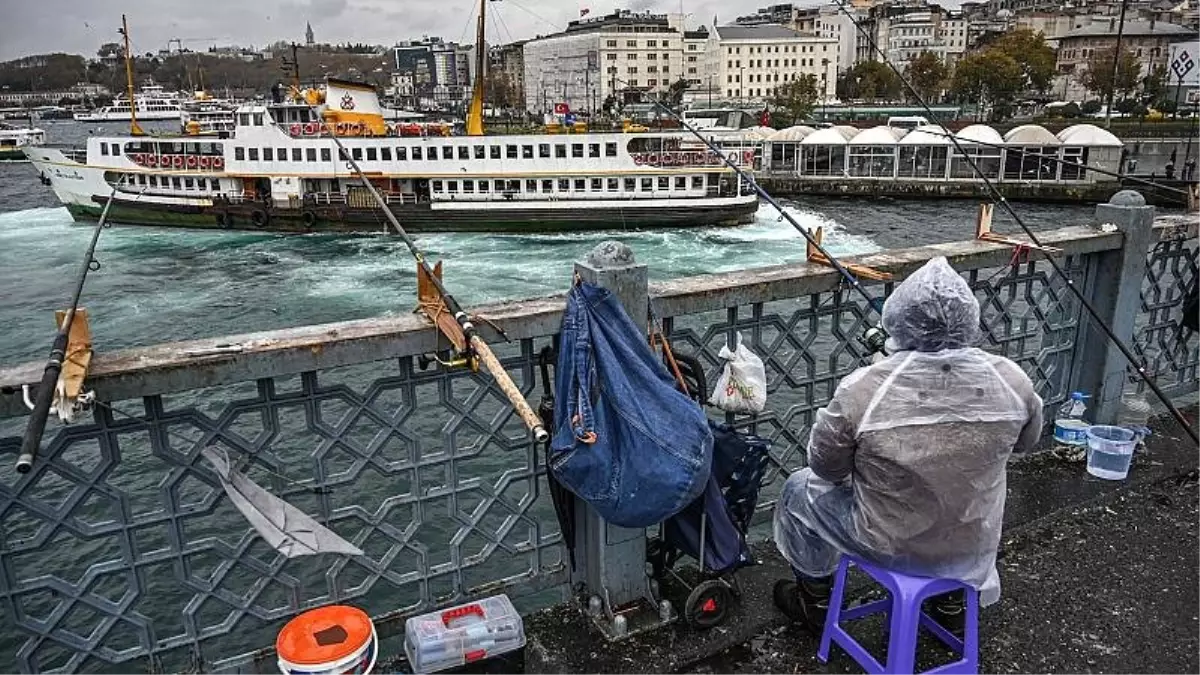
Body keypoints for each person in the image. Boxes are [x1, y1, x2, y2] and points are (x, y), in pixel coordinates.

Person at [772, 257, 1043, 636]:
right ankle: (949, 601)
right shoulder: (1012, 381)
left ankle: (815, 600)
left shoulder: (862, 389)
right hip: (971, 542)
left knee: (797, 489)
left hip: (888, 544)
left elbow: (825, 468)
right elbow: (1026, 445)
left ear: (898, 320)